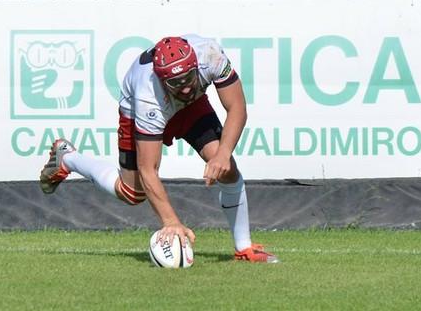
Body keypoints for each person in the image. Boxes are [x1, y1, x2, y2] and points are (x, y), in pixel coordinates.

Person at [40, 35, 278, 263]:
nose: (184, 88)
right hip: (141, 112)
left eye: (188, 79)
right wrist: (171, 221)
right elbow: (148, 169)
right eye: (176, 82)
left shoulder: (211, 55)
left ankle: (244, 247)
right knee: (132, 193)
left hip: (191, 108)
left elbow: (237, 107)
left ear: (196, 65)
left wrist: (224, 153)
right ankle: (68, 158)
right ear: (162, 79)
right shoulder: (148, 96)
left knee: (228, 169)